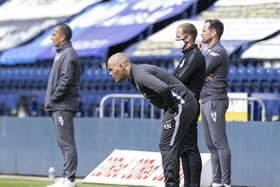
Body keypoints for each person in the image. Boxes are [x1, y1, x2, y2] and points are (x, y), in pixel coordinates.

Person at [107, 53, 197, 187]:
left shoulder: (140, 75)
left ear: (121, 66)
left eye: (111, 69)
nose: (110, 73)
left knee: (167, 146)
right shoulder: (136, 73)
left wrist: (171, 108)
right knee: (184, 148)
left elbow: (163, 88)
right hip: (184, 103)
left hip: (180, 105)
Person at [45, 23, 81, 187]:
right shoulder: (62, 53)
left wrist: (54, 98)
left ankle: (70, 179)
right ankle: (66, 176)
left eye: (54, 34)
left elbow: (66, 79)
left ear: (63, 37)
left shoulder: (68, 54)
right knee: (63, 142)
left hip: (63, 105)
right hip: (59, 105)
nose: (51, 37)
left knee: (67, 143)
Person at [173, 23, 205, 187]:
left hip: (189, 105)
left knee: (190, 148)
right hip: (182, 105)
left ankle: (194, 184)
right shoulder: (186, 55)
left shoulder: (194, 56)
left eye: (178, 36)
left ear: (188, 37)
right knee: (184, 149)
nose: (176, 39)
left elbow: (178, 79)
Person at [200, 19, 231, 187]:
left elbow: (196, 72)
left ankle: (226, 183)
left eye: (204, 30)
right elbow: (199, 73)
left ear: (213, 33)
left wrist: (200, 74)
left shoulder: (217, 52)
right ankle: (217, 181)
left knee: (219, 143)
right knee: (211, 144)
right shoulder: (209, 52)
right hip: (205, 99)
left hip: (214, 99)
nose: (202, 33)